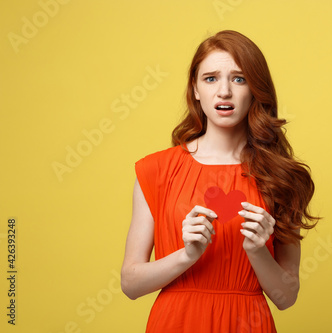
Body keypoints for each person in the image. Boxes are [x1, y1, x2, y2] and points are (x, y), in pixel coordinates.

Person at [121, 30, 319, 332]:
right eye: (211, 78)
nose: (224, 91)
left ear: (255, 89)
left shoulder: (282, 176)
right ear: (195, 89)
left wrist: (257, 250)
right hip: (176, 323)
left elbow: (286, 297)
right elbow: (131, 284)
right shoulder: (156, 170)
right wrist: (187, 255)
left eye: (239, 79)